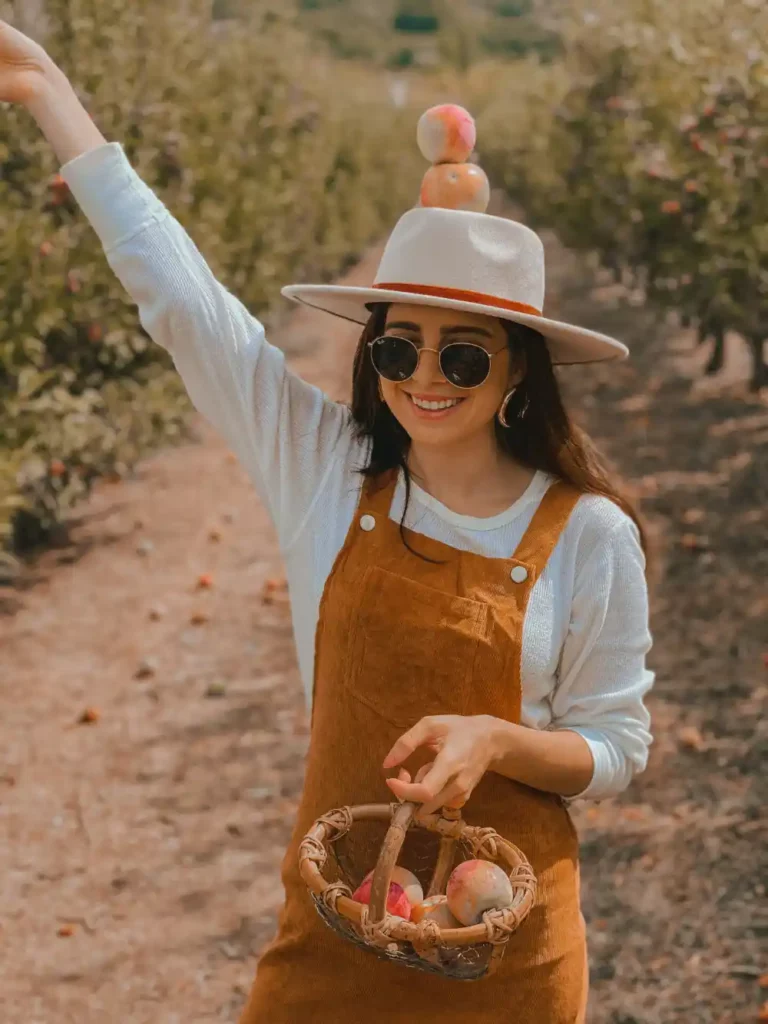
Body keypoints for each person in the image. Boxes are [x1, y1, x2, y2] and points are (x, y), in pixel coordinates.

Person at [5, 20, 654, 1023]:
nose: (427, 379)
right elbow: (185, 305)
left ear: (519, 368)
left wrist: (499, 739)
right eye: (401, 351)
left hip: (506, 963)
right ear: (373, 357)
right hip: (338, 941)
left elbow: (614, 743)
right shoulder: (330, 472)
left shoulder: (588, 532)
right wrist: (52, 95)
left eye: (465, 356)